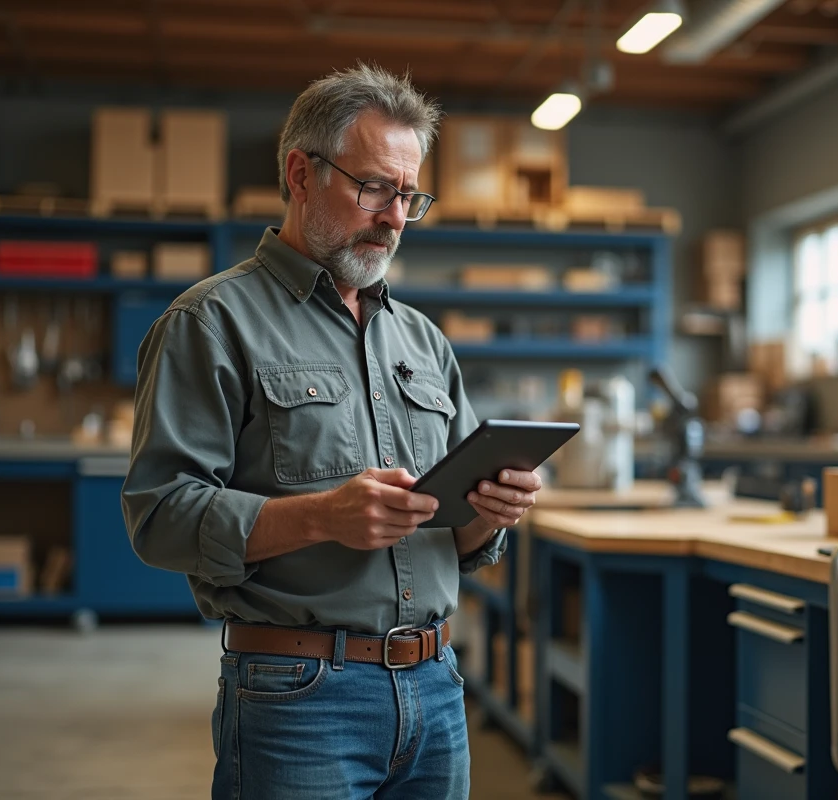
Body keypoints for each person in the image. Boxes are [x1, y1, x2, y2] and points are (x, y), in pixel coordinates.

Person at [121, 63, 542, 800]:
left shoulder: (422, 341)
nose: (396, 217)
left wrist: (489, 512)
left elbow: (462, 537)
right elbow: (159, 519)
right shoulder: (211, 324)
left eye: (410, 195)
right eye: (375, 187)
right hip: (299, 697)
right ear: (299, 173)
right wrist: (323, 517)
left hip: (438, 691)